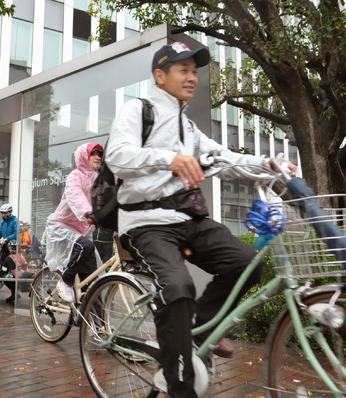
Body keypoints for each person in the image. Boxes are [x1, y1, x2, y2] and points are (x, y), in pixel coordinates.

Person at [105, 42, 296, 397]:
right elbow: (117, 156)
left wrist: (268, 165)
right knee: (178, 288)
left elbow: (225, 158)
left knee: (247, 263)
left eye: (194, 71)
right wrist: (171, 159)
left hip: (188, 219)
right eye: (183, 70)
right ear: (159, 76)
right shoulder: (138, 109)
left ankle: (201, 331)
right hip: (146, 223)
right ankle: (179, 386)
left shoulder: (189, 128)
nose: (192, 77)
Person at [44, 143, 103, 302]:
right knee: (86, 247)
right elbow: (75, 196)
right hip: (62, 228)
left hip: (81, 232)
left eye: (100, 154)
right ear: (84, 156)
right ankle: (66, 280)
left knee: (91, 280)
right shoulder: (75, 176)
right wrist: (88, 212)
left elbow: (106, 200)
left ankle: (96, 324)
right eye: (94, 153)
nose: (98, 157)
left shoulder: (98, 180)